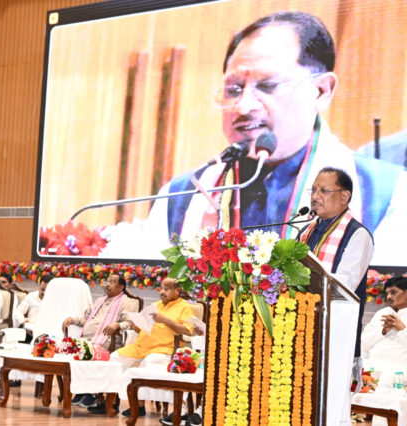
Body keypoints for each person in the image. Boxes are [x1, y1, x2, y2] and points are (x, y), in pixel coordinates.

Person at [141, 11, 407, 266]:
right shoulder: (181, 196)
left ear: (321, 91)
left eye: (268, 86)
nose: (244, 106)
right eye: (234, 89)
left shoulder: (386, 195)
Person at [298, 167, 374, 424]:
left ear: (344, 196)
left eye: (324, 190)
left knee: (328, 409)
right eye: (313, 190)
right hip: (301, 332)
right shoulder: (305, 232)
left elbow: (346, 284)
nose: (315, 196)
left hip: (335, 337)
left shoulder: (357, 235)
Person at [98, 278, 200, 417]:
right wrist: (136, 324)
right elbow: (142, 328)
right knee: (114, 359)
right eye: (161, 288)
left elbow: (187, 331)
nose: (162, 292)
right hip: (141, 346)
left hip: (164, 348)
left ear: (177, 290)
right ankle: (111, 402)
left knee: (148, 362)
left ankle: (139, 406)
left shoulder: (185, 307)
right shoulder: (155, 305)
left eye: (166, 289)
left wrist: (165, 320)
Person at [62, 273, 137, 410]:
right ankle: (82, 391)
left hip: (107, 339)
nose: (107, 284)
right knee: (74, 351)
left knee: (88, 351)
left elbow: (131, 323)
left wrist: (117, 325)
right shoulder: (99, 301)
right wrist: (72, 320)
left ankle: (91, 394)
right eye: (107, 281)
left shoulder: (128, 302)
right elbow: (87, 321)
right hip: (88, 338)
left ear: (121, 287)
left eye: (112, 282)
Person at [361, 276, 407, 376]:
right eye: (387, 293)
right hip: (373, 370)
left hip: (401, 374)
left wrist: (402, 328)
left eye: (393, 292)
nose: (389, 297)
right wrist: (383, 331)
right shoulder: (381, 313)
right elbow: (365, 343)